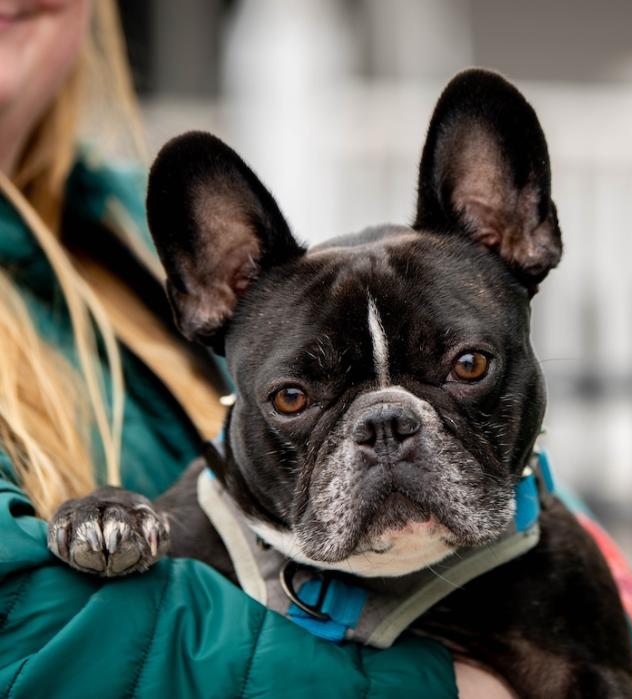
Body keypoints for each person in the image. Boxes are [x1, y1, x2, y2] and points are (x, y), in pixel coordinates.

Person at [0, 1, 507, 695]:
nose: (392, 437)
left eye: (466, 367)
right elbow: (27, 630)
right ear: (209, 290)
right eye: (295, 397)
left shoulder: (122, 237)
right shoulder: (240, 297)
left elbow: (602, 625)